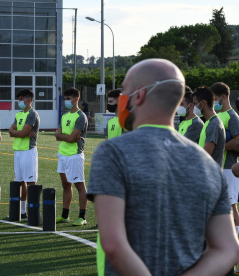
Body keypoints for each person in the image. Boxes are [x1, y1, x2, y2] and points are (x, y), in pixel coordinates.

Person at [87, 59, 239, 276]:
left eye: (124, 92)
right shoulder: (207, 163)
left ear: (138, 95)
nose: (120, 100)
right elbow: (229, 250)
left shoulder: (113, 152)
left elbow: (112, 244)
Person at [55, 88, 88, 226]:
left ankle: (82, 217)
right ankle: (65, 215)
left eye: (68, 98)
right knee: (65, 185)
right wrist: (66, 137)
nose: (66, 101)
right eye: (65, 98)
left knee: (79, 186)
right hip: (62, 154)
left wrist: (65, 137)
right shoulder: (65, 116)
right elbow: (58, 135)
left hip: (75, 155)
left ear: (76, 99)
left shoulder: (81, 117)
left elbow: (73, 138)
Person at [8, 89, 40, 220]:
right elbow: (10, 131)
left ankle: (33, 211)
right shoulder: (19, 114)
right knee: (20, 181)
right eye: (19, 99)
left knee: (31, 182)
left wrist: (19, 132)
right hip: (18, 150)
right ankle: (22, 211)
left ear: (29, 100)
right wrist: (20, 132)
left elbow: (17, 132)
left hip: (28, 151)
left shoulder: (32, 114)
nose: (19, 101)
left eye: (21, 99)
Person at [212, 82, 239, 235]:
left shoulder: (232, 116)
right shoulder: (218, 115)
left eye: (215, 99)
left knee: (231, 205)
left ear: (223, 97)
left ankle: (235, 237)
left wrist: (218, 146)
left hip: (229, 167)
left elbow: (237, 141)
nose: (214, 102)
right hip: (217, 165)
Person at [193, 86, 225, 168]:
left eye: (195, 104)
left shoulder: (214, 124)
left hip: (211, 177)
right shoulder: (209, 122)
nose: (194, 107)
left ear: (203, 103)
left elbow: (205, 155)